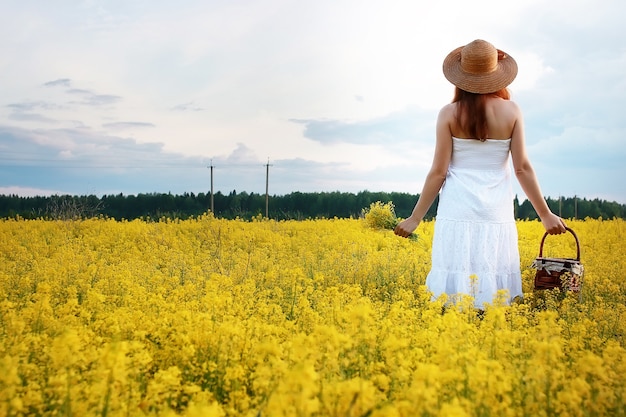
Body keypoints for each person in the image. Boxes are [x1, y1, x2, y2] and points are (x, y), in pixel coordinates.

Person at [394, 39, 566, 308]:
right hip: (495, 209)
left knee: (454, 284)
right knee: (492, 279)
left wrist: (416, 218)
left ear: (460, 78)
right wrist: (545, 214)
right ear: (497, 74)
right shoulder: (512, 111)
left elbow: (438, 172)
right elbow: (522, 168)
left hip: (457, 208)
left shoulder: (449, 113)